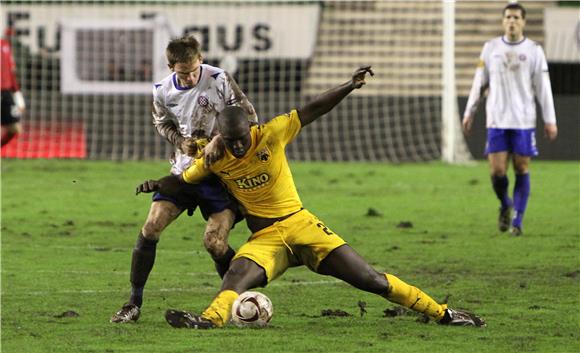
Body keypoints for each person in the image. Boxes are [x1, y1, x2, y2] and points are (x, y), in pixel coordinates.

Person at [137, 66, 486, 328]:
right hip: (266, 238)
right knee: (235, 273)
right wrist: (158, 183)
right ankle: (208, 321)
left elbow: (312, 108)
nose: (239, 145)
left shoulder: (271, 134)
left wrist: (349, 85)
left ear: (250, 128)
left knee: (371, 280)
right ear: (221, 139)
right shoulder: (214, 158)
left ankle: (443, 313)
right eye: (231, 141)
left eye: (243, 137)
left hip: (302, 225)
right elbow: (183, 180)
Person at [111, 35, 257, 323]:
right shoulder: (162, 91)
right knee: (151, 226)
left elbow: (249, 116)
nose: (190, 78)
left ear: (200, 59)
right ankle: (133, 303)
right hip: (184, 173)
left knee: (214, 243)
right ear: (170, 67)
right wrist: (179, 141)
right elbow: (161, 123)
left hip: (220, 177)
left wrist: (219, 140)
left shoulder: (220, 79)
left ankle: (235, 300)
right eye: (183, 73)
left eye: (193, 71)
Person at [462, 3, 557, 236]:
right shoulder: (490, 48)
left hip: (524, 121)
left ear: (523, 21)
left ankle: (518, 221)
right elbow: (478, 82)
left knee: (522, 167)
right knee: (497, 172)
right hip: (496, 120)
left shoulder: (534, 50)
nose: (512, 21)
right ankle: (506, 204)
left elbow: (543, 87)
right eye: (508, 17)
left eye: (516, 17)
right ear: (503, 21)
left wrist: (550, 119)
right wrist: (469, 112)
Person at [1, 30, 26, 148]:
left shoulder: (5, 45)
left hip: (5, 93)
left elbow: (11, 73)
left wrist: (17, 94)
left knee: (15, 128)